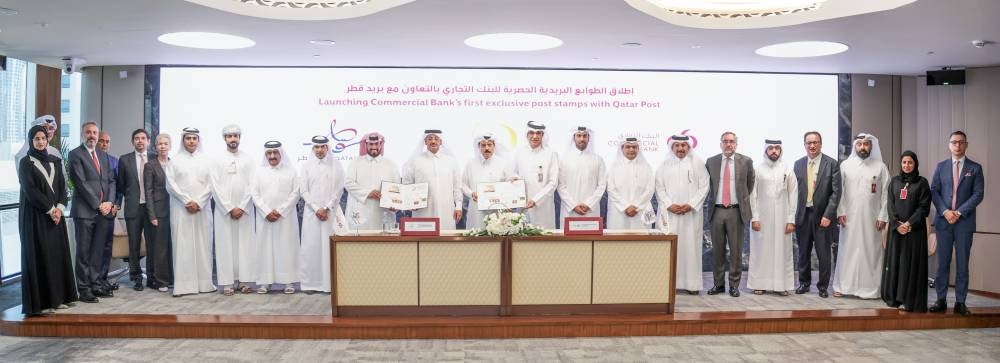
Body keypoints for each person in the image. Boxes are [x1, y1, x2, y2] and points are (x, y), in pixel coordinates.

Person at [18, 125, 78, 315]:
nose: (41, 142)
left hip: (55, 218)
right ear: (31, 141)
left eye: (43, 138)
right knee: (40, 256)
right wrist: (50, 209)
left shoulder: (55, 161)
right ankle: (42, 302)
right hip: (36, 217)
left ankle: (58, 298)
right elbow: (30, 190)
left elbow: (63, 188)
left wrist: (60, 208)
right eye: (37, 139)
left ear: (47, 139)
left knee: (56, 257)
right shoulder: (26, 163)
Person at [929, 131, 984, 316]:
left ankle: (960, 302)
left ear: (966, 145)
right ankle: (941, 300)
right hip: (944, 222)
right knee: (943, 263)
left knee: (962, 264)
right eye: (954, 142)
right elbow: (934, 191)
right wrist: (945, 212)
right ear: (949, 145)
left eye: (961, 142)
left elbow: (978, 194)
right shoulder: (941, 166)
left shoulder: (975, 168)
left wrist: (959, 212)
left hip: (964, 223)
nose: (957, 145)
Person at [832, 133, 890, 299]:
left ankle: (871, 289)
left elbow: (887, 194)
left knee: (871, 252)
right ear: (855, 146)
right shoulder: (845, 165)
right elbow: (839, 192)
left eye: (866, 144)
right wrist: (840, 212)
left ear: (871, 146)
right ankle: (843, 287)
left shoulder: (880, 167)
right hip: (848, 218)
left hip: (872, 220)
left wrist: (883, 216)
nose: (863, 147)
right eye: (860, 144)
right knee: (847, 251)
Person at [67, 121, 116, 303]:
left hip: (104, 212)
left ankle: (95, 284)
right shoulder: (75, 155)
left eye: (94, 132)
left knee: (97, 252)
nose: (92, 135)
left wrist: (109, 202)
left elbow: (111, 180)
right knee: (83, 253)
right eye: (88, 132)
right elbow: (80, 183)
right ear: (82, 134)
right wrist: (98, 204)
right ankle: (84, 289)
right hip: (85, 211)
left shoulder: (103, 155)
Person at [164, 127, 216, 297]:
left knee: (203, 245)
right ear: (183, 141)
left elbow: (212, 184)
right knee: (183, 246)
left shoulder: (208, 161)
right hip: (181, 209)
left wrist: (199, 202)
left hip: (202, 208)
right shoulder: (175, 161)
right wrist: (187, 201)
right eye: (188, 138)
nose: (192, 141)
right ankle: (184, 286)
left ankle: (205, 284)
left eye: (194, 138)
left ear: (199, 140)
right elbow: (170, 185)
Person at [655, 135, 710, 294]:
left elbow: (704, 186)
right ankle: (668, 284)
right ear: (672, 147)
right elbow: (659, 187)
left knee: (690, 248)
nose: (680, 149)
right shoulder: (664, 164)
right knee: (669, 249)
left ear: (688, 147)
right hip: (669, 214)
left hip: (690, 215)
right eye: (677, 145)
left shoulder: (697, 163)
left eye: (683, 146)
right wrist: (669, 204)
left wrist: (690, 205)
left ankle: (691, 285)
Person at [705, 131, 755, 297]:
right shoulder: (711, 162)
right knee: (717, 251)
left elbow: (750, 185)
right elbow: (709, 185)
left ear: (736, 144)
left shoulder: (746, 161)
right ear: (721, 144)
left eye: (731, 141)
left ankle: (734, 285)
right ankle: (718, 285)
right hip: (717, 210)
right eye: (725, 141)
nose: (728, 144)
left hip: (736, 211)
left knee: (736, 251)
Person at [209, 125, 257, 295]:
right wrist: (229, 207)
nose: (232, 139)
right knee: (225, 246)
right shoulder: (216, 160)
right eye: (229, 136)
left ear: (240, 137)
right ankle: (227, 283)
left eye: (235, 136)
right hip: (224, 212)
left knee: (245, 246)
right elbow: (214, 186)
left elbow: (253, 185)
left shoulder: (249, 159)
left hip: (245, 211)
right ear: (224, 139)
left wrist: (242, 206)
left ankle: (245, 282)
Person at [881, 150, 931, 312]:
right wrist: (897, 223)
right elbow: (890, 205)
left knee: (910, 265)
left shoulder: (922, 183)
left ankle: (909, 300)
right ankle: (894, 298)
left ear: (915, 164)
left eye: (910, 162)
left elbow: (924, 208)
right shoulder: (894, 182)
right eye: (904, 162)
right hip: (896, 231)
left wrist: (909, 224)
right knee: (896, 263)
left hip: (914, 232)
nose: (907, 165)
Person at [793, 131, 841, 298]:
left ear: (821, 144)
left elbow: (836, 193)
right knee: (803, 252)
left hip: (823, 217)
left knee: (823, 253)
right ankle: (804, 283)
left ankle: (822, 286)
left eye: (815, 142)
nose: (812, 146)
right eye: (809, 143)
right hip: (803, 215)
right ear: (805, 145)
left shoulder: (832, 164)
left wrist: (828, 215)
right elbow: (794, 192)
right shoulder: (798, 164)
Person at [747, 140, 797, 296]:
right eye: (771, 148)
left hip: (783, 219)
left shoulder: (787, 169)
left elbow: (793, 195)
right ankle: (759, 284)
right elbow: (752, 195)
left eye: (777, 148)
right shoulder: (758, 169)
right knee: (761, 251)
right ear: (766, 150)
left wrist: (791, 220)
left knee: (782, 251)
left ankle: (781, 286)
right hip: (762, 219)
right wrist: (754, 217)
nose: (774, 151)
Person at [251, 141, 301, 294]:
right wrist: (266, 211)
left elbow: (296, 193)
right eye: (269, 153)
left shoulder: (291, 171)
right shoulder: (259, 172)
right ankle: (265, 282)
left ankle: (288, 282)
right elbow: (254, 193)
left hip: (285, 218)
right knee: (265, 248)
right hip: (264, 218)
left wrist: (280, 211)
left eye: (275, 153)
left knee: (287, 247)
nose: (272, 156)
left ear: (281, 154)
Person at [298, 136, 345, 293]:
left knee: (328, 247)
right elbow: (303, 190)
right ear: (313, 149)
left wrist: (327, 208)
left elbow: (339, 190)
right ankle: (310, 284)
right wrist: (316, 208)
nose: (319, 150)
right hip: (312, 213)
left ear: (327, 148)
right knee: (311, 248)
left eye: (322, 147)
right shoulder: (306, 166)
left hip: (330, 213)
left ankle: (329, 284)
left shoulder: (336, 166)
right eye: (316, 147)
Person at [115, 129, 156, 291]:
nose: (140, 141)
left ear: (148, 141)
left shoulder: (154, 158)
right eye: (136, 138)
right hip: (133, 207)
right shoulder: (124, 160)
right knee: (134, 244)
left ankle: (152, 277)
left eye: (143, 138)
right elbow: (121, 185)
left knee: (153, 243)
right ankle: (136, 277)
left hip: (152, 208)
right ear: (133, 141)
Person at [402, 130, 463, 230]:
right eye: (430, 139)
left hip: (447, 210)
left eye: (436, 139)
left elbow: (457, 186)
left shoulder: (451, 161)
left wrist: (459, 207)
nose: (433, 141)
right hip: (422, 211)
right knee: (423, 241)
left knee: (446, 241)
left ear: (441, 142)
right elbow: (407, 184)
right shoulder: (415, 161)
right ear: (425, 142)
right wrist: (410, 202)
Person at [344, 132, 400, 229]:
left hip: (383, 213)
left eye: (376, 144)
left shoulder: (390, 164)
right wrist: (368, 193)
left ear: (380, 145)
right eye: (371, 144)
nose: (374, 147)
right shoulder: (356, 163)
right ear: (366, 145)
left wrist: (395, 204)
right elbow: (348, 183)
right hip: (360, 212)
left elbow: (397, 187)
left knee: (383, 242)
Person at [513, 121, 559, 228]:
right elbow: (514, 172)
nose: (535, 136)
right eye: (531, 133)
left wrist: (536, 200)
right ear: (527, 134)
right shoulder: (520, 152)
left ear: (543, 135)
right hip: (522, 205)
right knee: (521, 239)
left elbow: (553, 183)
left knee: (543, 240)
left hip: (543, 207)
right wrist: (514, 178)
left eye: (538, 133)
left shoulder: (551, 154)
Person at [557, 126, 607, 227]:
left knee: (591, 240)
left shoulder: (598, 160)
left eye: (584, 136)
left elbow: (602, 186)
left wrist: (588, 204)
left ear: (589, 138)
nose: (582, 139)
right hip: (569, 210)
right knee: (569, 241)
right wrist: (573, 205)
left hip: (591, 211)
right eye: (578, 136)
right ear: (573, 138)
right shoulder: (564, 160)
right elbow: (561, 186)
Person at [462, 134, 512, 229]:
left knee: (495, 237)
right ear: (478, 147)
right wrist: (471, 193)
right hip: (476, 209)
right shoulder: (471, 163)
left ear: (494, 146)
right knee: (475, 236)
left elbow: (509, 185)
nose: (487, 148)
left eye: (489, 145)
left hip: (497, 209)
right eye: (483, 145)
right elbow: (463, 184)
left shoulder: (503, 163)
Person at [144, 133, 174, 292]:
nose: (162, 146)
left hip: (175, 211)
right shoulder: (150, 165)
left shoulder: (174, 164)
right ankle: (161, 281)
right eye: (160, 144)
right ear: (155, 147)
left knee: (172, 246)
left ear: (170, 146)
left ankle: (171, 278)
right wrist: (152, 215)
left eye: (165, 143)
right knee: (160, 249)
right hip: (158, 212)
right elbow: (147, 192)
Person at [606, 137, 655, 229]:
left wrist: (636, 206)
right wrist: (625, 206)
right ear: (622, 149)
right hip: (619, 212)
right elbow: (610, 189)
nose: (631, 149)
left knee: (642, 241)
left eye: (634, 147)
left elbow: (650, 189)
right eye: (628, 147)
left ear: (638, 149)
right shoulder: (614, 167)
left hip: (641, 210)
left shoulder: (646, 166)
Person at [96, 131, 120, 293]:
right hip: (93, 210)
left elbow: (119, 186)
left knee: (106, 248)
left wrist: (116, 204)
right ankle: (94, 281)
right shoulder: (90, 160)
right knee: (94, 249)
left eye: (107, 142)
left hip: (110, 211)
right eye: (101, 141)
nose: (104, 144)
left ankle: (103, 280)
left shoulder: (114, 161)